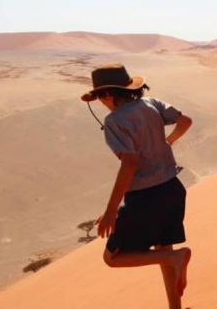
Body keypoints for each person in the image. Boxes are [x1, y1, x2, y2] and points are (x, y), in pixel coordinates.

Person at [81, 63, 193, 309]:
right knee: (164, 251)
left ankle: (176, 257)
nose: (100, 101)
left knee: (113, 257)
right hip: (173, 189)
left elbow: (130, 163)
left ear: (108, 94)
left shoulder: (114, 121)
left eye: (99, 95)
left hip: (146, 198)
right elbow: (185, 121)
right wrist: (168, 142)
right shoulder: (152, 103)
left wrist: (111, 212)